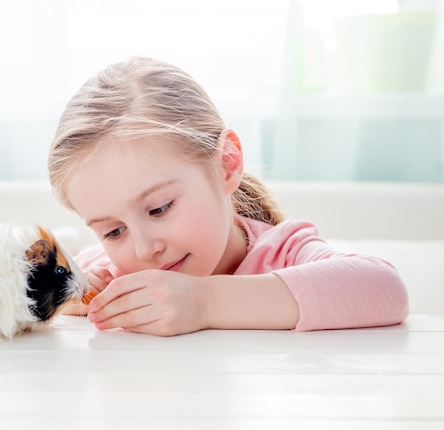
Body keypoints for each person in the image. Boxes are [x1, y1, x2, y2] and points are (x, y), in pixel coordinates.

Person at [47, 56, 409, 336]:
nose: (144, 250)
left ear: (227, 164)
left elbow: (386, 289)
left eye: (159, 208)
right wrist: (74, 296)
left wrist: (204, 302)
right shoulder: (111, 271)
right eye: (113, 231)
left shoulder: (285, 254)